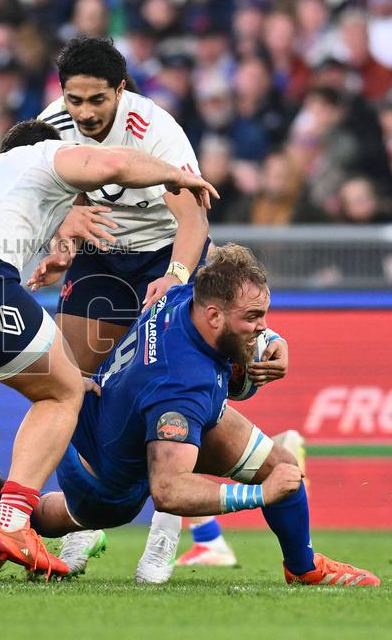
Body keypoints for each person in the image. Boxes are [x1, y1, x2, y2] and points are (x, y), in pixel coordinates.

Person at [0, 119, 218, 585]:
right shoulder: (42, 156)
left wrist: (54, 256)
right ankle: (11, 523)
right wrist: (174, 175)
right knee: (64, 392)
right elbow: (113, 162)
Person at [31, 36, 291, 580]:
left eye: (96, 100)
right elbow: (47, 197)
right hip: (101, 258)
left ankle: (163, 537)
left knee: (174, 391)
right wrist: (59, 242)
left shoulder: (158, 133)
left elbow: (193, 219)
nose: (84, 113)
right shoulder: (49, 126)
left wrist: (173, 281)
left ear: (120, 91)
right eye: (74, 100)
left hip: (165, 254)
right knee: (70, 384)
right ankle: (82, 528)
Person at [31, 244, 380, 587]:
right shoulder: (181, 386)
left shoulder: (185, 293)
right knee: (61, 517)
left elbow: (213, 264)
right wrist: (259, 496)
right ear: (214, 315)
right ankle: (6, 520)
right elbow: (168, 491)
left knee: (281, 465)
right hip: (100, 478)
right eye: (253, 318)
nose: (261, 327)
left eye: (264, 316)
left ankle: (304, 569)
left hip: (130, 414)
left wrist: (272, 337)